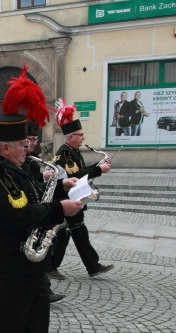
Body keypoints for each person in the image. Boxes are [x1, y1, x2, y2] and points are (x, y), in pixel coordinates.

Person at [0, 111, 83, 333]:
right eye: (23, 145)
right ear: (6, 147)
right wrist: (61, 209)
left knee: (37, 311)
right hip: (9, 257)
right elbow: (21, 213)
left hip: (29, 257)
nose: (29, 149)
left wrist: (62, 185)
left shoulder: (15, 166)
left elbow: (36, 191)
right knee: (9, 315)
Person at [50, 105, 114, 279]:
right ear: (71, 137)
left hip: (73, 199)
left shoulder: (74, 151)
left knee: (78, 233)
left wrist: (96, 169)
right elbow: (75, 176)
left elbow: (80, 171)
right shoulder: (64, 153)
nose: (84, 137)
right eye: (80, 134)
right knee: (64, 235)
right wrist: (98, 169)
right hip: (65, 200)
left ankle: (92, 266)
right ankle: (51, 267)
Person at [21, 122, 65, 303]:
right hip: (28, 213)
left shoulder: (31, 157)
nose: (32, 143)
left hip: (36, 210)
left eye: (34, 140)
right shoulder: (23, 159)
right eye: (28, 140)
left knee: (34, 258)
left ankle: (43, 290)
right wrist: (43, 179)